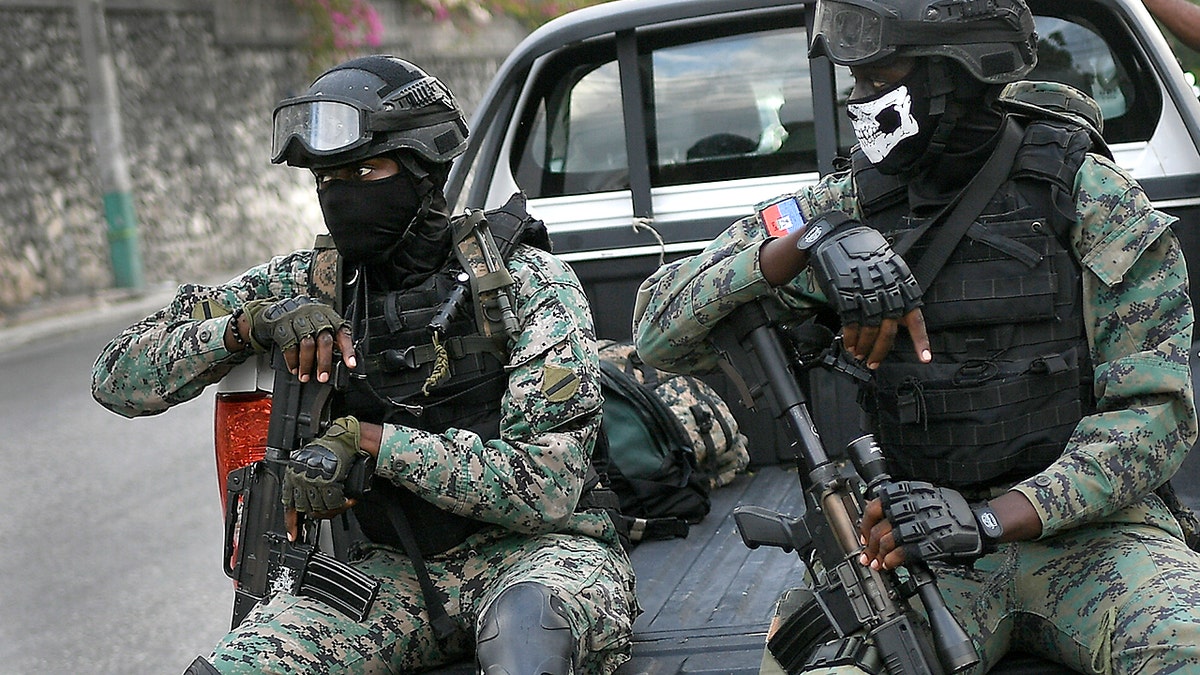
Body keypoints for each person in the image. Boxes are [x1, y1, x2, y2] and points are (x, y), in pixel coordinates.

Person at [633, 0, 1200, 672]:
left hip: (1095, 536)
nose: (860, 94)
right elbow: (655, 329)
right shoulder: (842, 205)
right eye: (856, 76)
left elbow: (1154, 417)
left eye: (881, 73)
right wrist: (808, 244)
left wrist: (992, 517)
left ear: (955, 71)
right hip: (905, 546)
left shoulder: (1086, 193)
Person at [92, 55, 638, 674]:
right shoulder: (306, 283)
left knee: (526, 641)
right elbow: (115, 377)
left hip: (536, 558)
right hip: (385, 575)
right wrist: (249, 325)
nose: (341, 196)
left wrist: (371, 443)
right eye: (326, 181)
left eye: (363, 171)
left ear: (421, 172)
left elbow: (548, 486)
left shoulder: (526, 283)